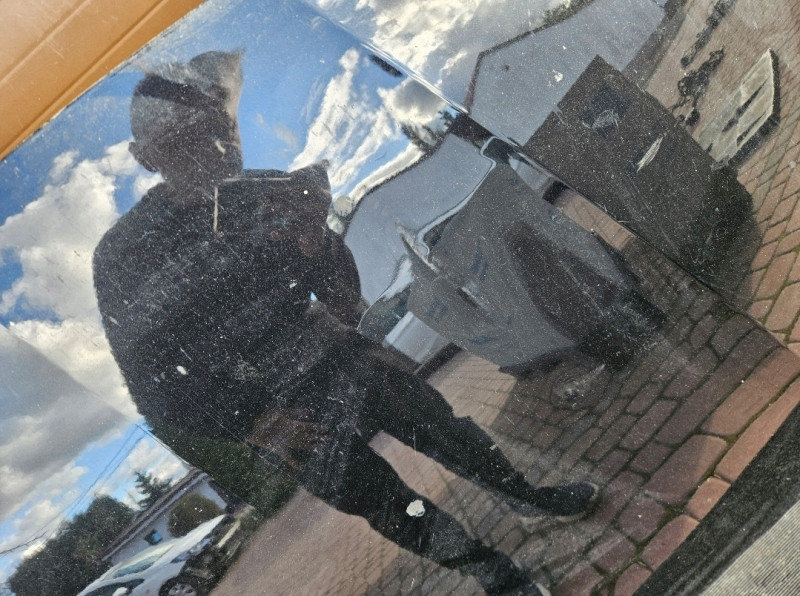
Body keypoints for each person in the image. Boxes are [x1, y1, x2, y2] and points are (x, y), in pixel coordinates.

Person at [93, 51, 598, 596]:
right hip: (278, 411)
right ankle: (488, 570)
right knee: (383, 501)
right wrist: (257, 425)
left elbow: (338, 293)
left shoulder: (266, 188)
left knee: (445, 428)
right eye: (191, 137)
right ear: (146, 157)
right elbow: (153, 386)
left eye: (224, 127)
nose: (220, 148)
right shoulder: (125, 254)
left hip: (340, 355)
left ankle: (524, 497)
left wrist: (316, 237)